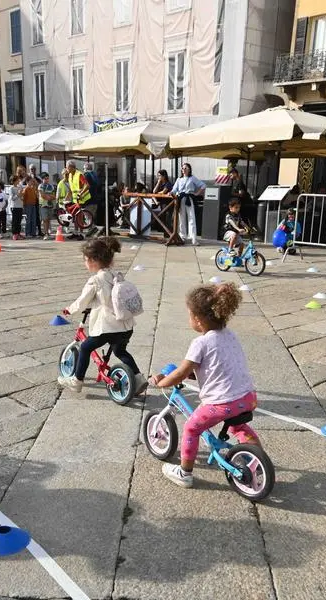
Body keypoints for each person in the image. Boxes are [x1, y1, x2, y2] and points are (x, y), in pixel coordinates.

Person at [149, 282, 260, 488]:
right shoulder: (229, 335)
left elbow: (181, 372)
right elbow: (214, 368)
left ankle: (185, 473)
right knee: (238, 426)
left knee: (191, 428)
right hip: (247, 398)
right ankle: (257, 457)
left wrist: (162, 382)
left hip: (223, 403)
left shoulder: (200, 343)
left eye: (189, 314)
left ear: (198, 320)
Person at [57, 237, 147, 393]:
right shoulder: (116, 275)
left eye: (85, 260)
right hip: (126, 326)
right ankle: (138, 379)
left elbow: (82, 302)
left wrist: (69, 309)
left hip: (108, 328)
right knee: (120, 351)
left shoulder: (95, 280)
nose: (85, 263)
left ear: (92, 260)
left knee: (85, 348)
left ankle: (77, 381)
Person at [171, 163, 205, 245]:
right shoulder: (179, 179)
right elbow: (174, 189)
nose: (184, 169)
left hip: (189, 198)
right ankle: (182, 237)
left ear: (189, 169)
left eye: (186, 168)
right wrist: (171, 193)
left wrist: (197, 193)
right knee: (181, 219)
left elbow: (203, 185)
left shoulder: (192, 178)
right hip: (181, 198)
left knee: (191, 218)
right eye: (182, 168)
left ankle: (193, 238)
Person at [38, 172, 56, 240]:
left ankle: (48, 233)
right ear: (42, 179)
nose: (47, 180)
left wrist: (48, 196)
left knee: (48, 220)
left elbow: (54, 196)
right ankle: (45, 234)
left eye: (47, 178)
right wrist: (49, 197)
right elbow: (43, 195)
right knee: (45, 220)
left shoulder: (51, 186)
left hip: (50, 205)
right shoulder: (40, 186)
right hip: (43, 205)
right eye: (45, 179)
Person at [8, 175, 24, 240]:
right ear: (14, 181)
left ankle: (18, 233)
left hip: (20, 206)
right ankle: (14, 234)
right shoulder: (11, 188)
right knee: (15, 221)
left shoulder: (19, 187)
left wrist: (21, 196)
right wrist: (18, 194)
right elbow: (12, 198)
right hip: (14, 206)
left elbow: (21, 197)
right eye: (17, 180)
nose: (19, 181)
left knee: (19, 221)